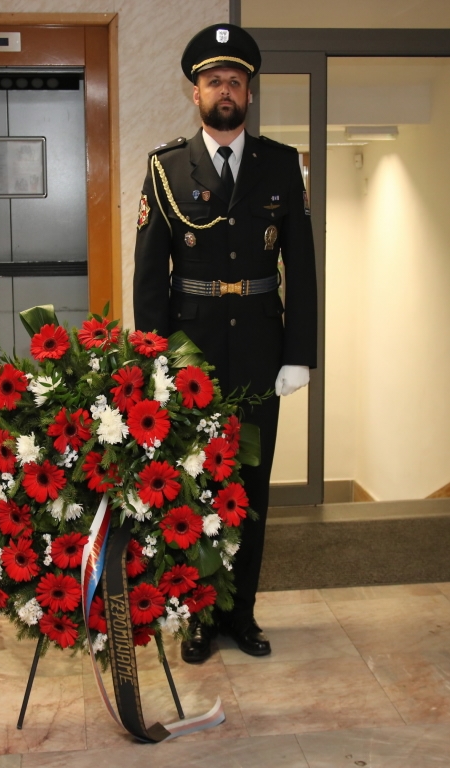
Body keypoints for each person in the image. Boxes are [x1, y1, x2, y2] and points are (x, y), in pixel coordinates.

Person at [133, 23, 318, 664]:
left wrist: (300, 354)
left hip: (261, 356)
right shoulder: (165, 168)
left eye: (236, 80)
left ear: (249, 90)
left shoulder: (281, 165)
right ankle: (199, 616)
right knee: (194, 487)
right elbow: (150, 277)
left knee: (252, 485)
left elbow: (303, 266)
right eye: (215, 80)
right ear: (196, 93)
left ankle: (243, 612)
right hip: (192, 356)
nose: (226, 90)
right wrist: (153, 359)